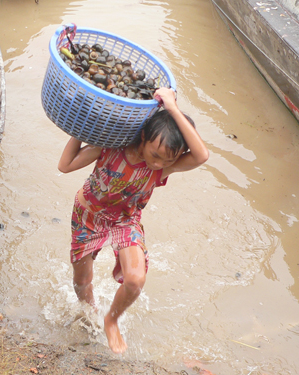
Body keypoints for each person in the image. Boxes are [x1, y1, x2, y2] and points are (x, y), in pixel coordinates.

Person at [58, 87, 209, 354]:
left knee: (135, 280)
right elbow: (65, 165)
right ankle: (88, 313)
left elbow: (201, 156)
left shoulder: (164, 167)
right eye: (155, 154)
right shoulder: (110, 148)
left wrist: (172, 107)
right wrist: (79, 131)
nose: (158, 164)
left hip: (125, 221)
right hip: (87, 216)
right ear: (142, 137)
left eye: (168, 160)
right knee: (82, 280)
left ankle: (111, 320)